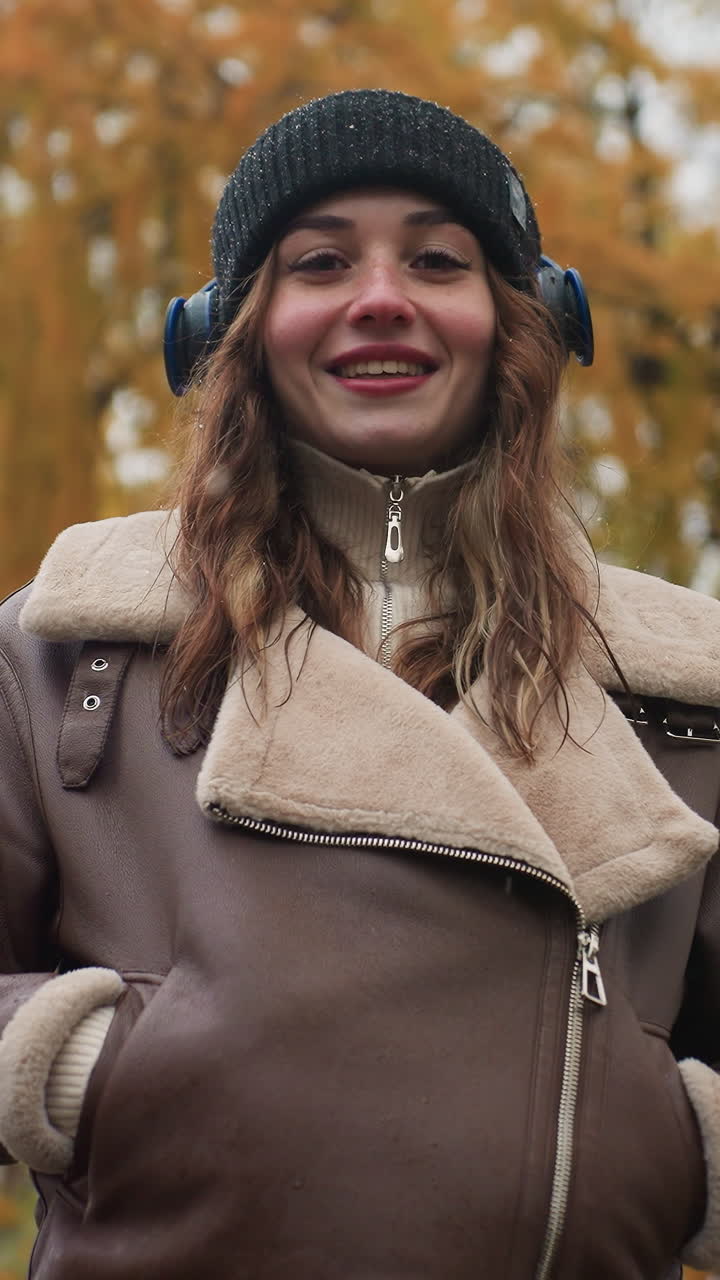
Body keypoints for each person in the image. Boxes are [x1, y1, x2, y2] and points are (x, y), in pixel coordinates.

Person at [0, 88, 719, 1280]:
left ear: (524, 317)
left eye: (436, 259)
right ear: (233, 329)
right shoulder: (67, 644)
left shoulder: (683, 681)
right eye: (321, 261)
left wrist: (664, 1144)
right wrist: (88, 1070)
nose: (381, 297)